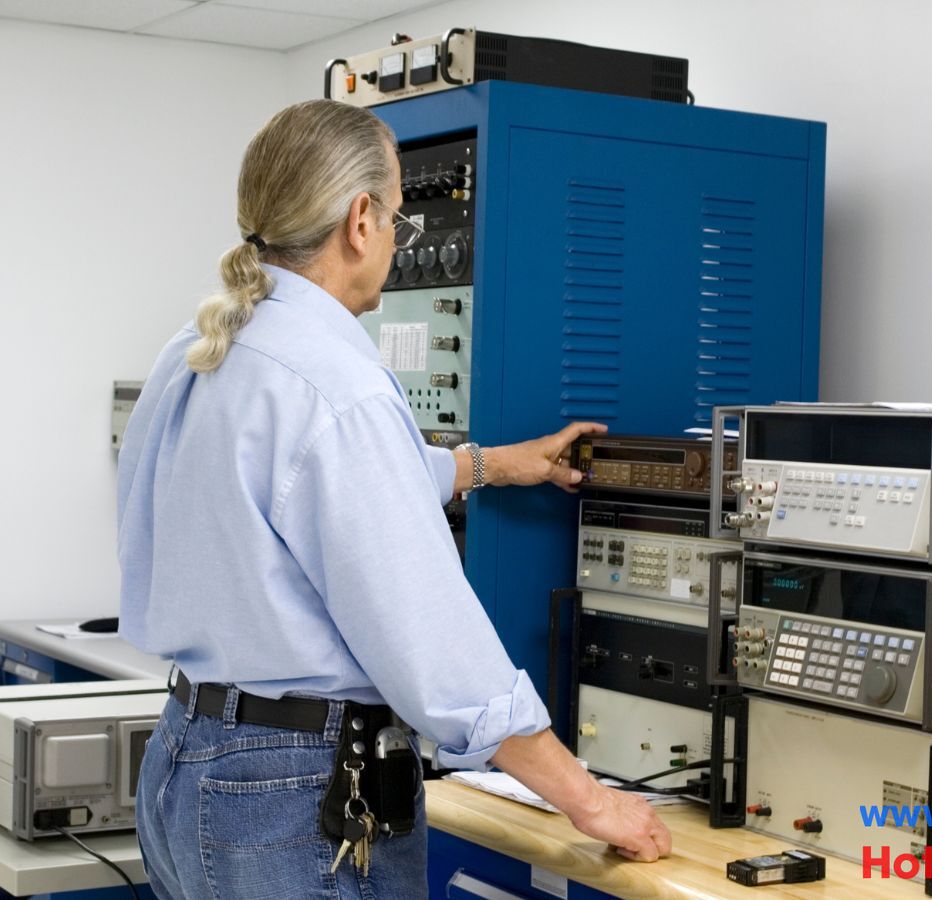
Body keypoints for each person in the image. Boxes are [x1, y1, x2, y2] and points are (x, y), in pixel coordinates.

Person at [116, 99, 671, 898]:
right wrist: (591, 801)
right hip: (292, 796)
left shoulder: (198, 347)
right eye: (400, 217)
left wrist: (488, 466)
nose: (397, 236)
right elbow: (438, 652)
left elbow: (298, 492)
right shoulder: (337, 384)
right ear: (359, 220)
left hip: (185, 762)